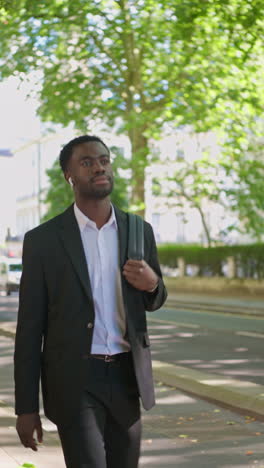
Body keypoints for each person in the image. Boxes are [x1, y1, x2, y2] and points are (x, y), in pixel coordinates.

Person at [14, 135, 167, 468]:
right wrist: (26, 407)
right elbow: (29, 329)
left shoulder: (138, 230)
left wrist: (153, 283)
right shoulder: (44, 241)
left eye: (104, 160)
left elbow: (155, 298)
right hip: (74, 380)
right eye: (87, 162)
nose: (99, 167)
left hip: (127, 377)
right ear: (69, 176)